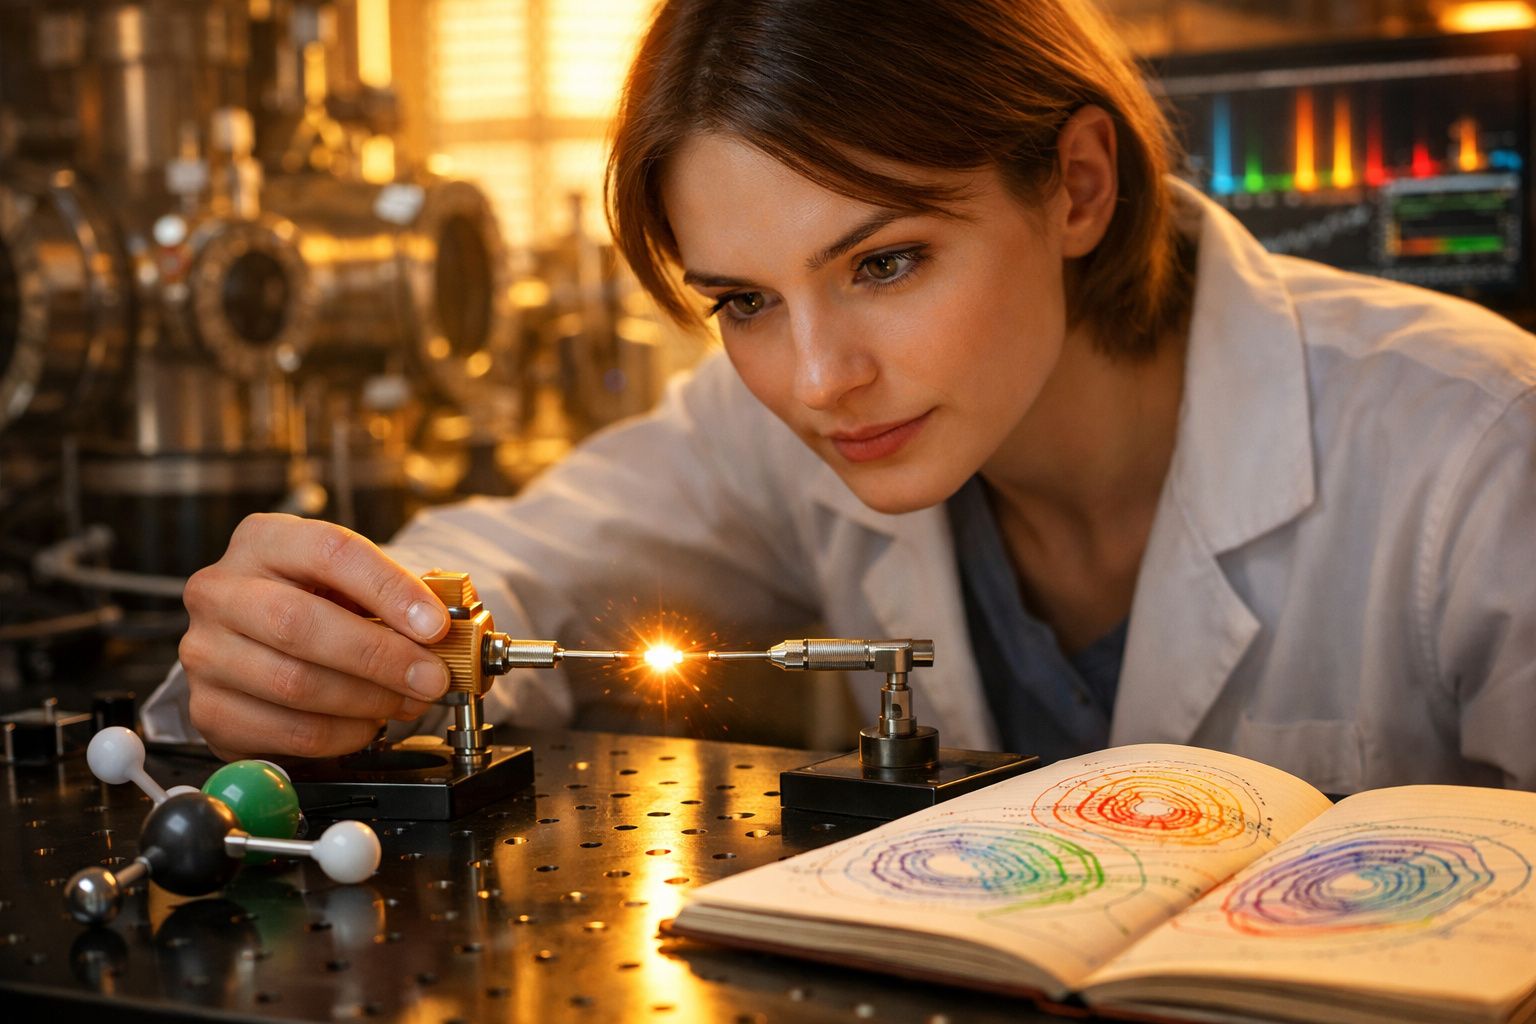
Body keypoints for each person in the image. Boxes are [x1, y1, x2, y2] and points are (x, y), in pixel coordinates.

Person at [148, 0, 1536, 794]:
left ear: (1077, 187)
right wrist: (333, 636)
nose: (816, 380)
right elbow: (517, 577)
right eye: (743, 300)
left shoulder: (1475, 450)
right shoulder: (788, 431)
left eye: (885, 260)